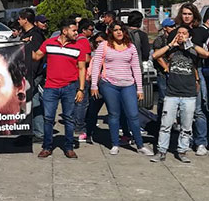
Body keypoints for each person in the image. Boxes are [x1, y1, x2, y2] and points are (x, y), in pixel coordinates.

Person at [89, 21, 154, 157]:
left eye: (121, 30)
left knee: (133, 114)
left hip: (128, 84)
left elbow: (136, 68)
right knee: (114, 114)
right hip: (109, 84)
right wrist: (94, 85)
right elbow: (96, 66)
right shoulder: (104, 46)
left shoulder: (130, 47)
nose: (119, 32)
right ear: (111, 32)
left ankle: (140, 144)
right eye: (116, 30)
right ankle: (115, 144)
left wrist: (139, 89)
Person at [152, 25, 209, 162]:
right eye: (179, 33)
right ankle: (161, 151)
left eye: (184, 33)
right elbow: (155, 55)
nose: (181, 35)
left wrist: (190, 44)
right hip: (172, 93)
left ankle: (182, 151)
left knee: (186, 125)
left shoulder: (192, 50)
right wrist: (171, 44)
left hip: (189, 93)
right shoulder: (172, 50)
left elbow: (206, 54)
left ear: (189, 35)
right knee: (166, 124)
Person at [32, 18, 86, 158]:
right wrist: (23, 46)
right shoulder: (49, 43)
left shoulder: (78, 47)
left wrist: (80, 89)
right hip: (50, 87)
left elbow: (81, 68)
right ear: (64, 31)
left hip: (70, 87)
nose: (76, 33)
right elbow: (37, 56)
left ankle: (68, 147)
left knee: (69, 118)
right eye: (74, 30)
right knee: (48, 118)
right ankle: (47, 146)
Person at [167, 3, 208, 156]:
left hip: (195, 72)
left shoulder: (200, 33)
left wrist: (189, 44)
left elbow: (205, 54)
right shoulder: (174, 32)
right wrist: (167, 67)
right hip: (178, 72)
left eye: (190, 14)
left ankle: (201, 142)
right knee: (181, 110)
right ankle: (185, 141)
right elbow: (165, 53)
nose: (186, 17)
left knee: (198, 109)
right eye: (184, 14)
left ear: (195, 16)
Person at [18, 8, 46, 143]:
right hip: (26, 74)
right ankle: (31, 130)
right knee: (30, 102)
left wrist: (31, 75)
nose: (18, 21)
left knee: (34, 102)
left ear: (25, 20)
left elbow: (36, 57)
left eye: (20, 18)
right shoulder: (26, 33)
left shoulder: (35, 35)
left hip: (33, 74)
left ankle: (39, 133)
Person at [73, 19, 94, 142]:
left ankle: (76, 125)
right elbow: (85, 58)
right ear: (84, 30)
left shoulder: (74, 39)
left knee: (76, 102)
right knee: (82, 102)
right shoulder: (84, 41)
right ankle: (79, 127)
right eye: (90, 29)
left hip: (73, 74)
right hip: (82, 75)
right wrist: (93, 57)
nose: (92, 32)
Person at [152, 18, 176, 121]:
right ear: (165, 28)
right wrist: (166, 68)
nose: (173, 28)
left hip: (175, 72)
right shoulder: (160, 40)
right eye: (171, 26)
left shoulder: (175, 38)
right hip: (163, 73)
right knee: (163, 99)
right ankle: (161, 120)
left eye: (174, 26)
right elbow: (158, 56)